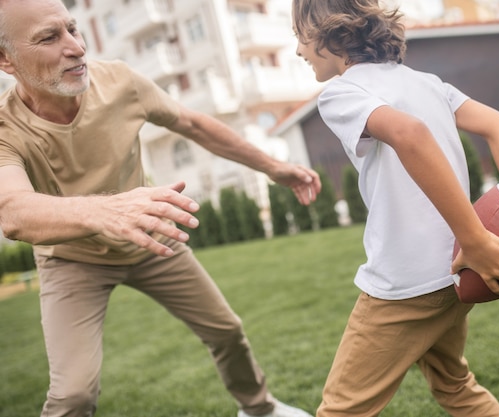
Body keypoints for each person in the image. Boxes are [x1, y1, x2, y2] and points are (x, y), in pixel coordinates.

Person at [0, 0, 321, 416]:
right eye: (49, 37)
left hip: (151, 243)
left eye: (73, 29)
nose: (75, 47)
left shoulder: (118, 82)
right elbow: (13, 210)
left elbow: (192, 123)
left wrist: (275, 168)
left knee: (226, 330)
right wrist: (107, 211)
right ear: (5, 59)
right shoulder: (6, 128)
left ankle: (260, 409)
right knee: (73, 395)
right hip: (72, 262)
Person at [292, 1, 499, 416]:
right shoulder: (427, 83)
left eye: (299, 37)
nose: (298, 51)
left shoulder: (342, 91)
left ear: (327, 35)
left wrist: (476, 239)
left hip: (408, 284)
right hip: (457, 274)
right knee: (456, 387)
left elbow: (409, 134)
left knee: (340, 411)